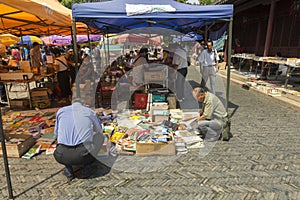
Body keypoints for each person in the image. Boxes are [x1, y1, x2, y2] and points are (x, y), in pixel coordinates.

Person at [54, 98, 104, 181]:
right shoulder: (89, 112)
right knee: (100, 137)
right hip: (83, 155)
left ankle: (68, 169)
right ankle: (87, 168)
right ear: (83, 104)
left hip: (61, 155)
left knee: (61, 141)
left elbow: (56, 133)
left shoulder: (61, 111)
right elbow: (99, 129)